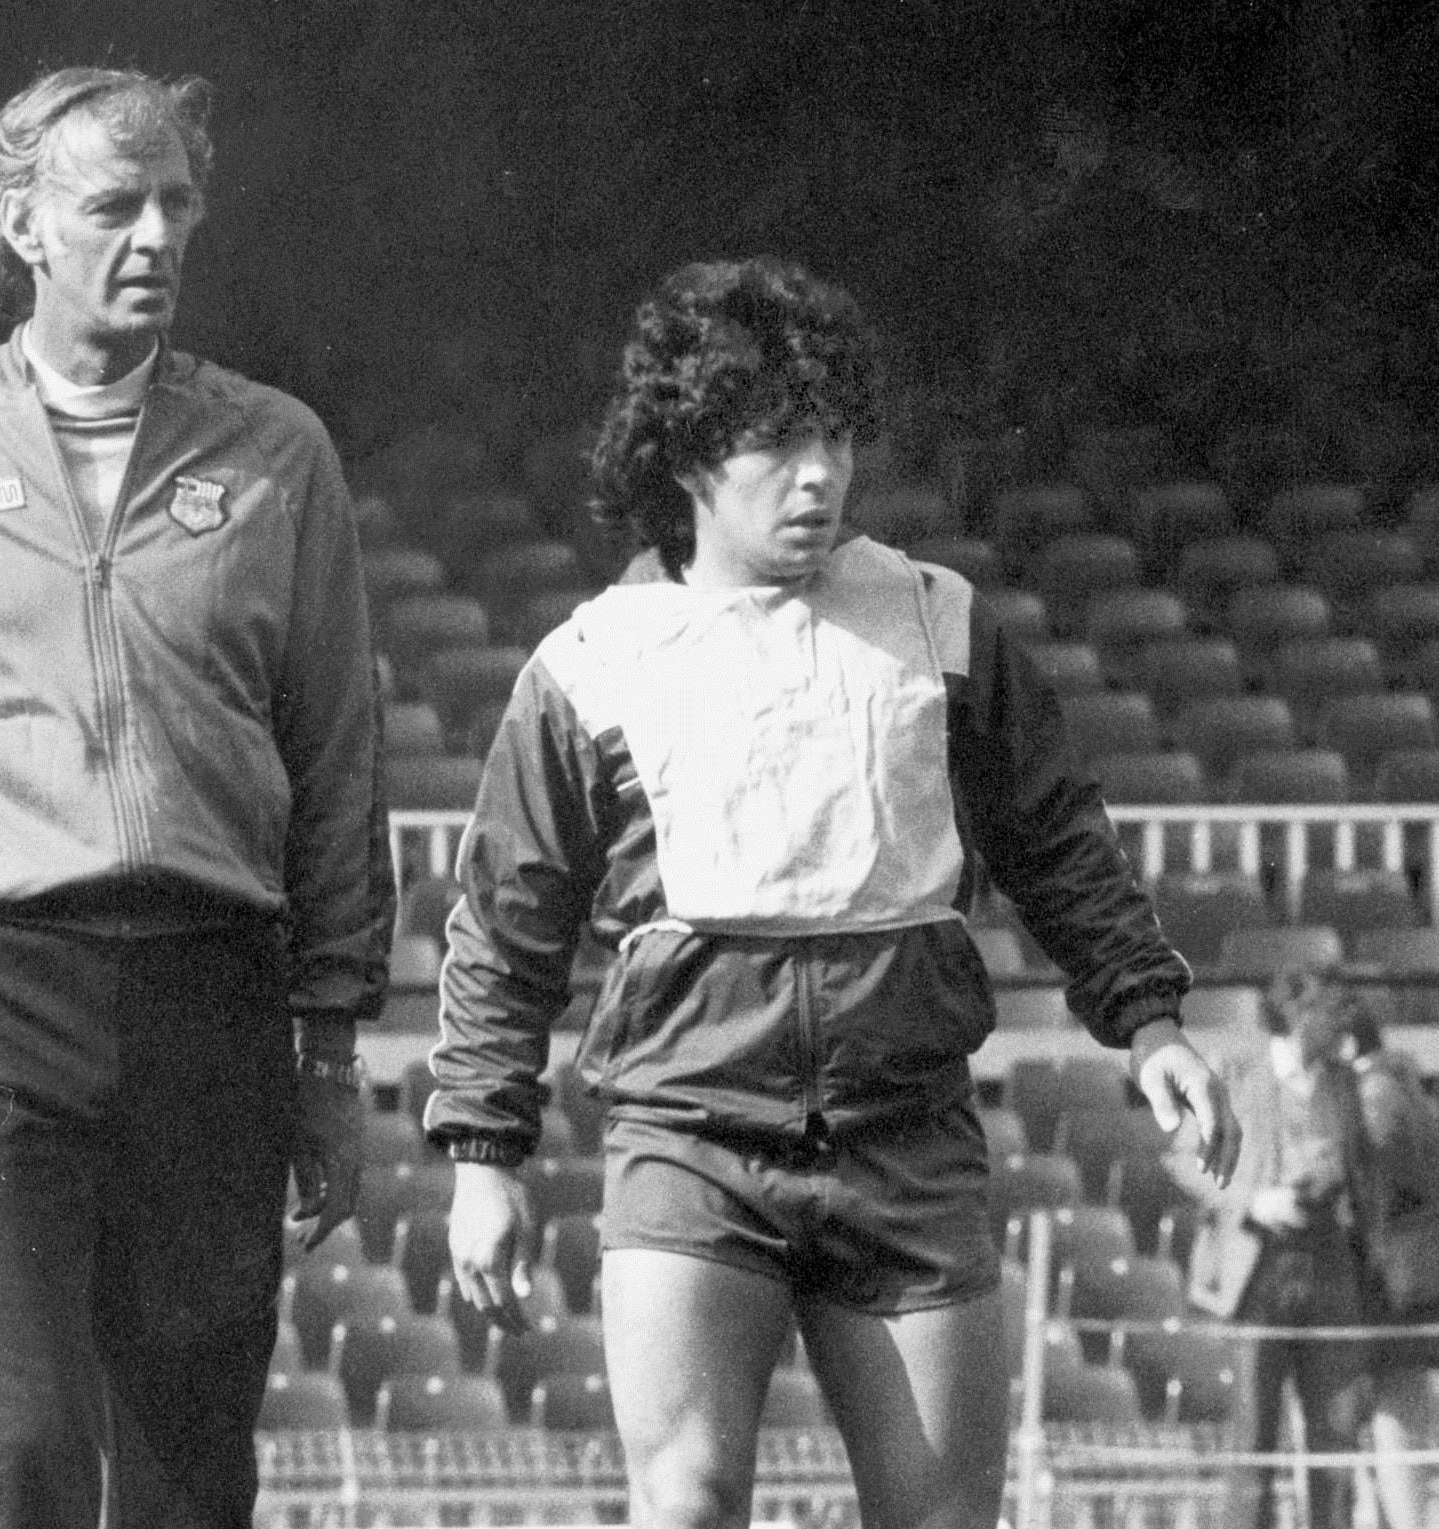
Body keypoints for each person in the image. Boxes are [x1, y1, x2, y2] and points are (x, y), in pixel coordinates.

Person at [425, 254, 1240, 1529]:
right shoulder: (588, 665)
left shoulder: (937, 622)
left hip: (903, 1141)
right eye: (775, 445)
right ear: (689, 455)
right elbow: (505, 923)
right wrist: (483, 1154)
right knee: (684, 1504)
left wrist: (1148, 1021)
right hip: (690, 1143)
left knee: (940, 1520)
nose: (820, 475)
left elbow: (1056, 841)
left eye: (836, 438)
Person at [0, 66, 394, 1529]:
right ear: (26, 228)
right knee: (21, 1446)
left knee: (184, 1471)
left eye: (177, 202)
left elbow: (340, 765)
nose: (155, 234)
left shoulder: (278, 453)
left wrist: (334, 1055)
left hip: (211, 992)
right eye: (113, 205)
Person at [1180, 966, 1376, 1529]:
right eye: (1330, 1011)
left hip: (1328, 1266)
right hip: (1257, 1267)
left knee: (1334, 1431)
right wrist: (1252, 1202)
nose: (1343, 1023)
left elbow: (1359, 1168)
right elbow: (1183, 1161)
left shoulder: (1342, 1081)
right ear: (1295, 1014)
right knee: (1254, 1436)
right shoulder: (1237, 1070)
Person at [1344, 1003, 1439, 1529]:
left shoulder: (1375, 1096)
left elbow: (1371, 1191)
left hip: (1391, 1281)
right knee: (1400, 1409)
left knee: (1395, 1412)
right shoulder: (1404, 1086)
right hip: (1413, 1276)